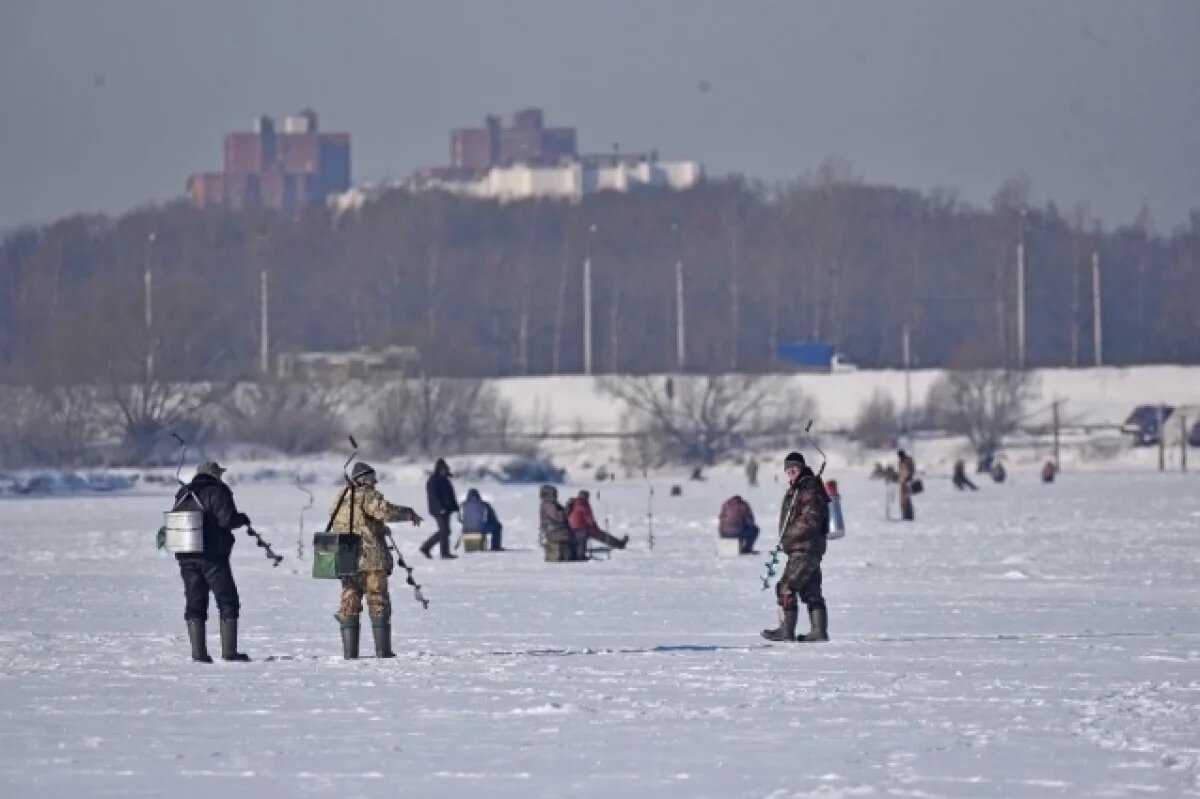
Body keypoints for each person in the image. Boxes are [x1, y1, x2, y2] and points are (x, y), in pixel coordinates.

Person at [329, 462, 422, 659]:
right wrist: (409, 512)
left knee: (349, 603)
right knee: (378, 600)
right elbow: (384, 511)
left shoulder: (341, 496)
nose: (376, 482)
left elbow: (353, 522)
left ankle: (350, 653)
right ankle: (383, 651)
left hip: (346, 558)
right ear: (362, 480)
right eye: (372, 478)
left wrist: (377, 527)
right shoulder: (368, 496)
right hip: (371, 559)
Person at [173, 461, 254, 663]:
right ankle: (229, 653)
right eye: (219, 474)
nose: (221, 477)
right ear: (214, 474)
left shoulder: (183, 492)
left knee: (195, 601)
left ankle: (198, 654)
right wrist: (242, 518)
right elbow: (226, 520)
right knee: (227, 600)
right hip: (212, 557)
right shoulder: (218, 491)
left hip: (186, 555)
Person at [761, 451, 830, 643]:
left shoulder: (808, 488)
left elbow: (811, 519)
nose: (791, 473)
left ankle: (786, 630)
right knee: (811, 591)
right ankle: (818, 631)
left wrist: (789, 535)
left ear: (802, 468)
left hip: (804, 547)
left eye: (794, 469)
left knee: (786, 587)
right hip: (806, 548)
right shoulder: (799, 488)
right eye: (788, 470)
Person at [421, 458, 459, 559]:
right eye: (442, 469)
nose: (444, 471)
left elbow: (450, 495)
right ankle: (441, 552)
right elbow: (433, 497)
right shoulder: (433, 481)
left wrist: (455, 506)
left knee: (446, 531)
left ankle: (428, 548)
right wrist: (440, 508)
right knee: (444, 530)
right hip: (438, 510)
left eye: (445, 469)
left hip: (447, 510)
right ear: (438, 469)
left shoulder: (445, 480)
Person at [538, 485, 573, 562]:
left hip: (555, 529)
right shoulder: (549, 505)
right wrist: (568, 508)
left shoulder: (552, 503)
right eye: (554, 494)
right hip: (555, 530)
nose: (556, 495)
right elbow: (559, 518)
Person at [897, 449, 916, 521]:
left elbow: (911, 471)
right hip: (902, 482)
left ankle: (909, 515)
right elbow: (901, 472)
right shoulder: (901, 461)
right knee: (903, 500)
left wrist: (907, 478)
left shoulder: (908, 461)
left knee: (907, 498)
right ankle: (905, 514)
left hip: (907, 482)